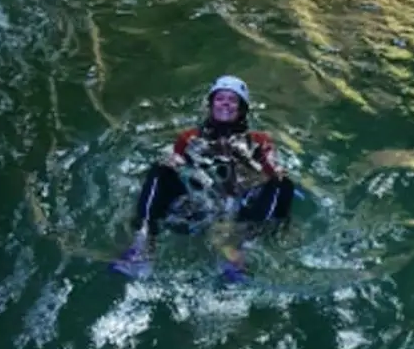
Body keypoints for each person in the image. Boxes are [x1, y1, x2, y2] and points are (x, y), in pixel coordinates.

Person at [111, 75, 295, 283]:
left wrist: (275, 169)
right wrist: (173, 163)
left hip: (241, 209)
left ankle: (243, 252)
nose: (225, 103)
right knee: (160, 169)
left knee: (283, 183)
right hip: (200, 207)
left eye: (232, 100)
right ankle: (143, 244)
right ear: (211, 105)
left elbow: (271, 165)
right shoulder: (190, 138)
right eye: (220, 98)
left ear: (242, 108)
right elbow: (177, 164)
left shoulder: (259, 140)